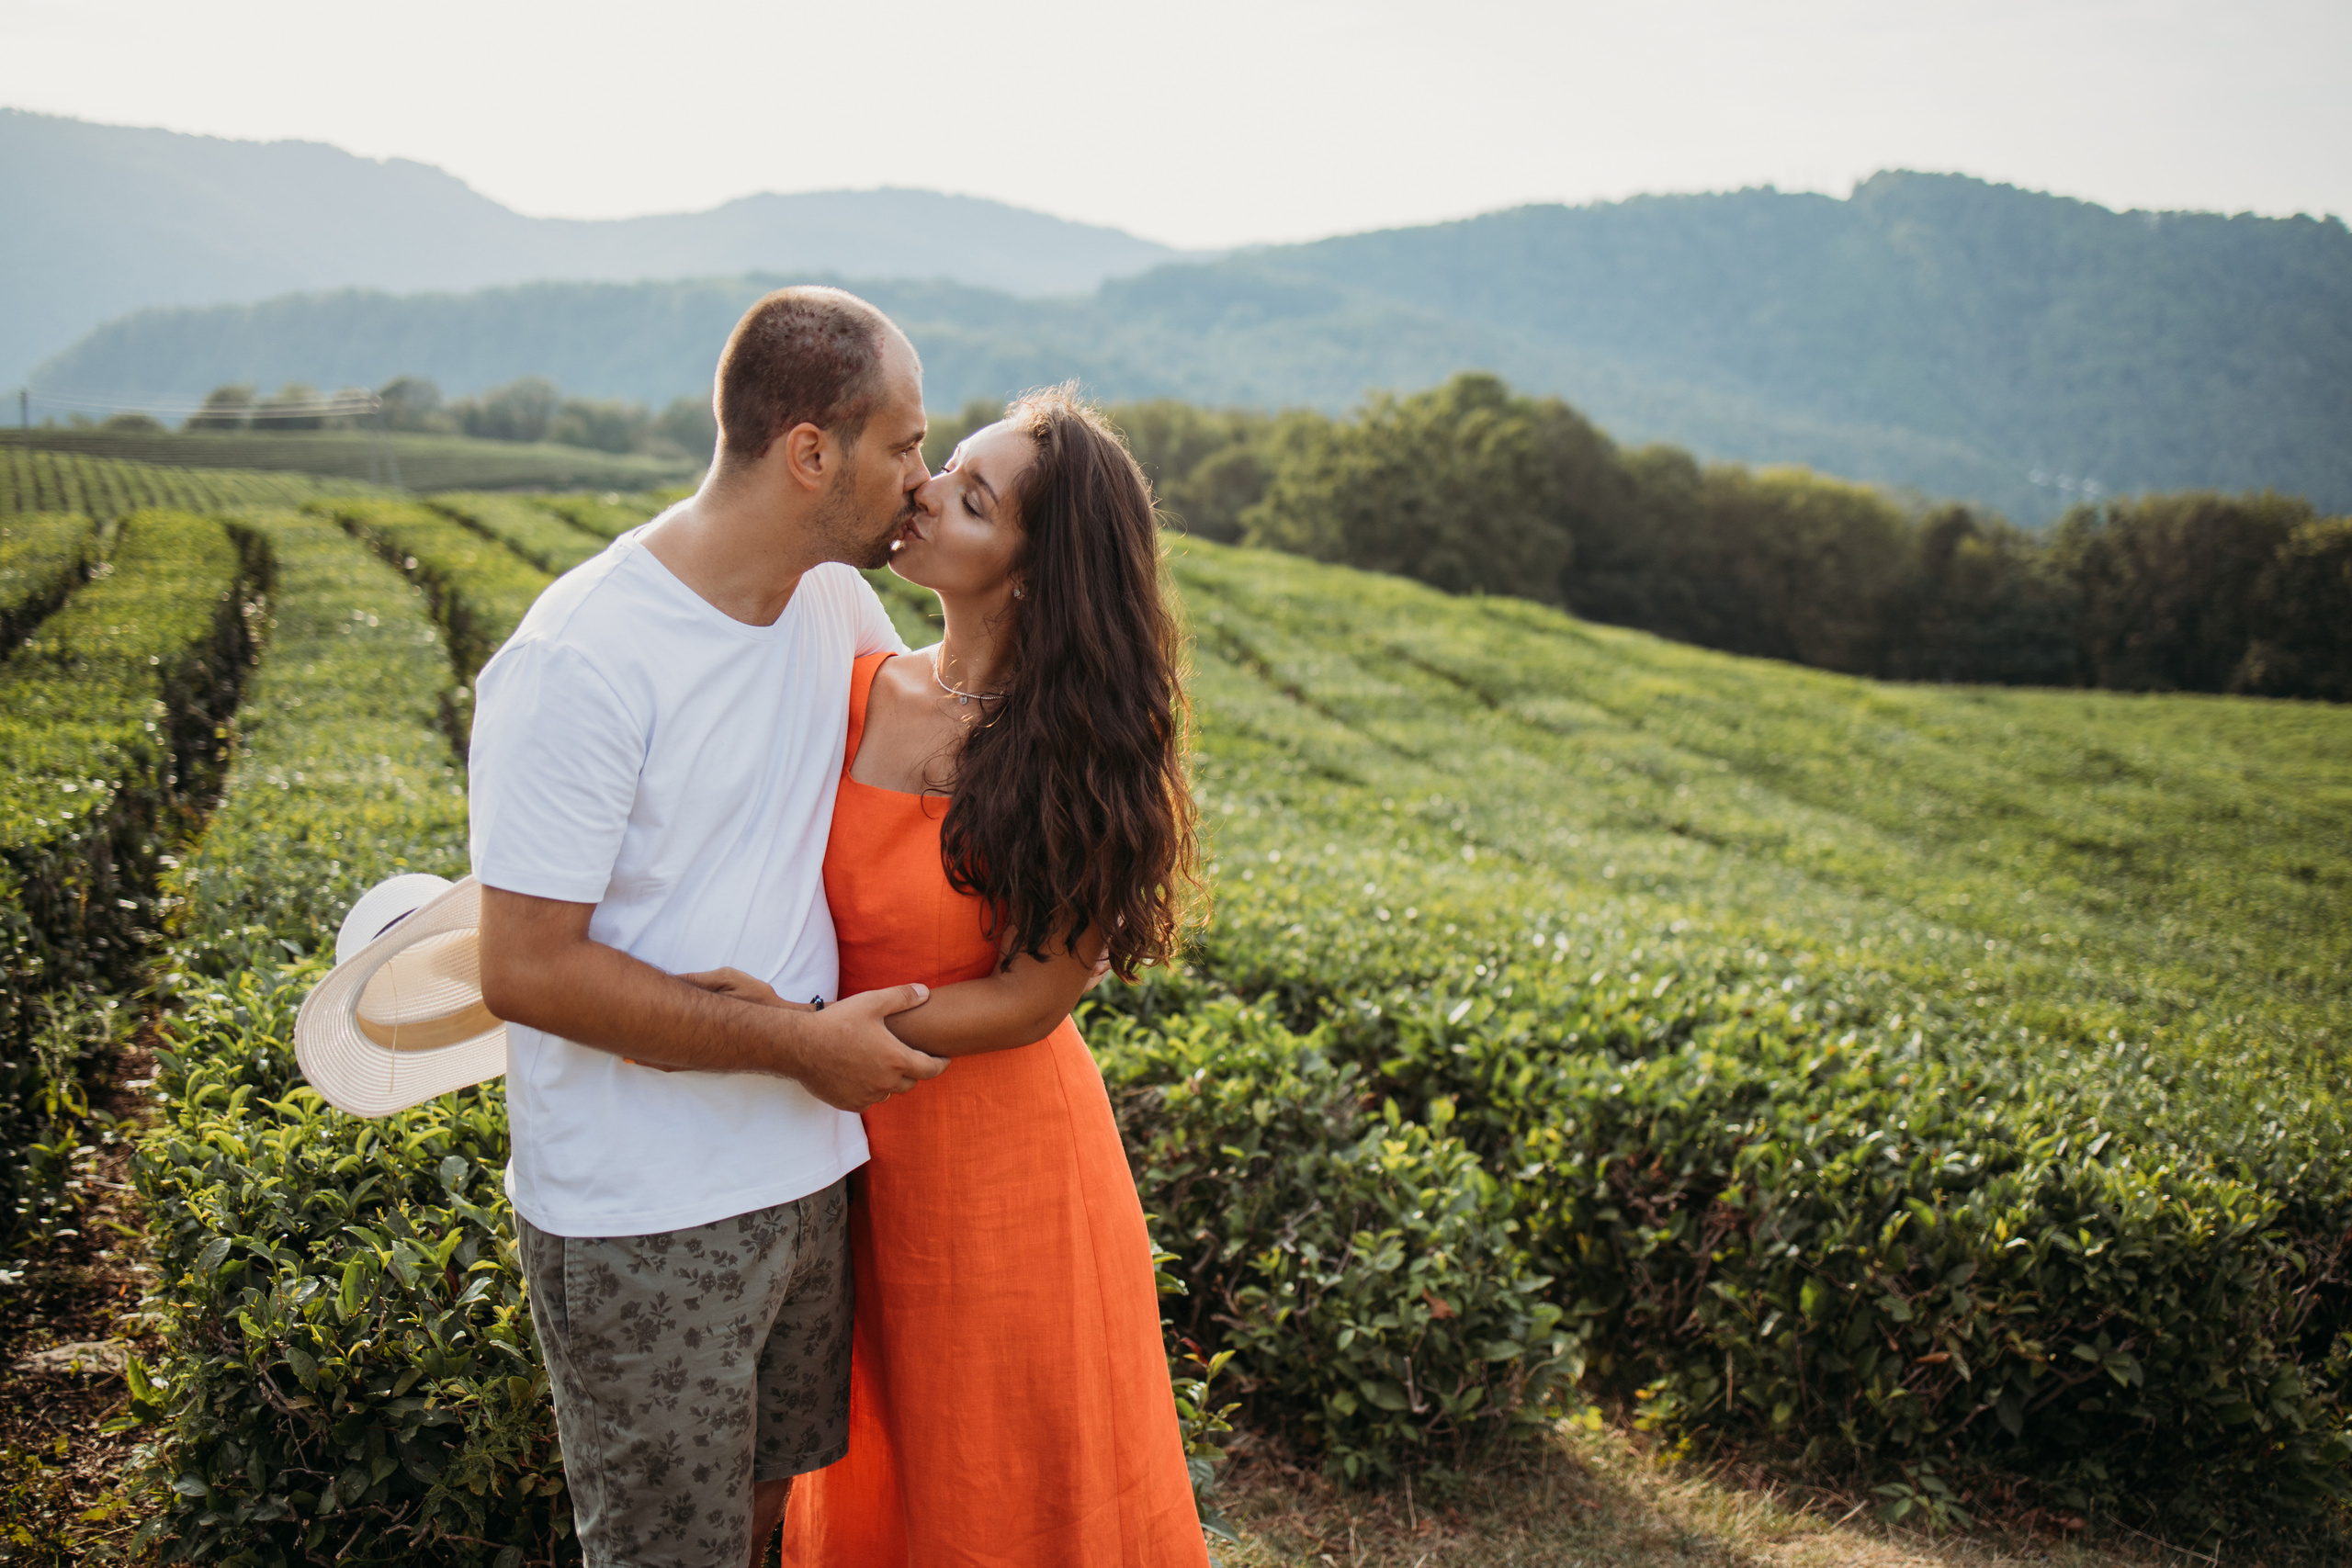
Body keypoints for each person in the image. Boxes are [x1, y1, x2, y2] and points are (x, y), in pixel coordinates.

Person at [470, 287, 967, 1568]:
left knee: (762, 1519)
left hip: (807, 1170)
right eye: (905, 444)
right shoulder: (581, 656)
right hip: (644, 1205)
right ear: (813, 452)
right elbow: (525, 967)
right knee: (663, 1548)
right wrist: (796, 1046)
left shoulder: (833, 607)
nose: (923, 476)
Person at [770, 387, 1212, 1567]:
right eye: (946, 464)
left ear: (1034, 572)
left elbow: (1032, 996)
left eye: (972, 500)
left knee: (998, 1474)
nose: (921, 492)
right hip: (836, 1135)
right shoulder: (860, 683)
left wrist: (821, 1036)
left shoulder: (1069, 743)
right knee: (883, 1458)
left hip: (996, 1156)